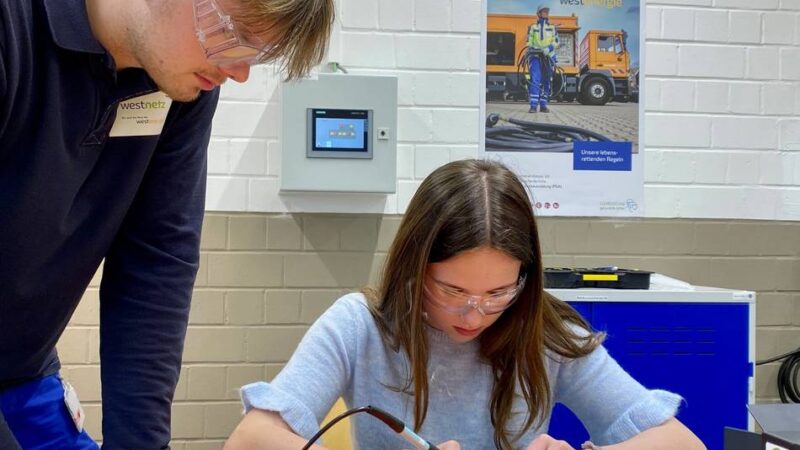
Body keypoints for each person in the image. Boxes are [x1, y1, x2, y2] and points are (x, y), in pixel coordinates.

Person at [0, 0, 333, 448]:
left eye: (258, 54)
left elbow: (157, 261)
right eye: (237, 35)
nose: (239, 73)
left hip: (23, 372)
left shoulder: (177, 85)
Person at [223, 159, 707, 450]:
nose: (474, 315)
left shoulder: (545, 336)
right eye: (452, 292)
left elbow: (682, 443)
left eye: (498, 294)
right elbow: (250, 440)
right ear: (415, 266)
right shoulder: (360, 326)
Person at [527, 5, 558, 114]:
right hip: (535, 57)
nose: (546, 13)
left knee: (546, 81)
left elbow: (556, 42)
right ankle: (533, 106)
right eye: (544, 11)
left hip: (548, 57)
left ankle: (543, 105)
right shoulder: (532, 27)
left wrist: (549, 48)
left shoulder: (553, 27)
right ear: (539, 13)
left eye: (547, 11)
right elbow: (528, 42)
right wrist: (533, 48)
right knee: (535, 80)